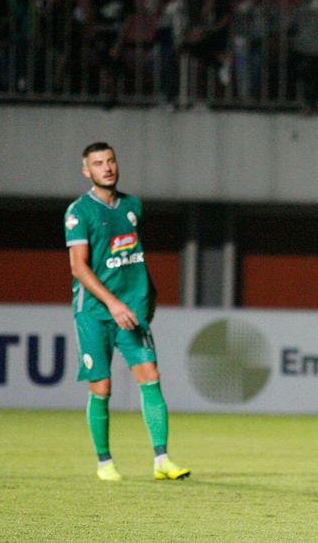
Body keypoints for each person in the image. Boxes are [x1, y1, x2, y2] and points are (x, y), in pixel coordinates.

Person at [64, 142, 190, 482]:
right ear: (86, 171)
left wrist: (149, 292)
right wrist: (112, 303)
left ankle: (162, 459)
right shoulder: (78, 212)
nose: (106, 167)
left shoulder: (133, 206)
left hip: (131, 310)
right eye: (98, 163)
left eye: (110, 160)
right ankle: (105, 462)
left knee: (151, 376)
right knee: (101, 387)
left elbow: (132, 254)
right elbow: (79, 268)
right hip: (93, 312)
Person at [89, 0, 134, 106]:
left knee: (113, 62)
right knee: (104, 61)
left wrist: (121, 39)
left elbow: (128, 19)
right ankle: (105, 92)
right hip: (102, 33)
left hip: (117, 33)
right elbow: (92, 12)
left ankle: (111, 94)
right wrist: (93, 30)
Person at [144, 0, 189, 107]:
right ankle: (166, 94)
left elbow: (180, 18)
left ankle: (169, 96)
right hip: (162, 33)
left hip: (174, 34)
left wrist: (179, 39)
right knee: (153, 62)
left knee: (168, 63)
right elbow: (149, 8)